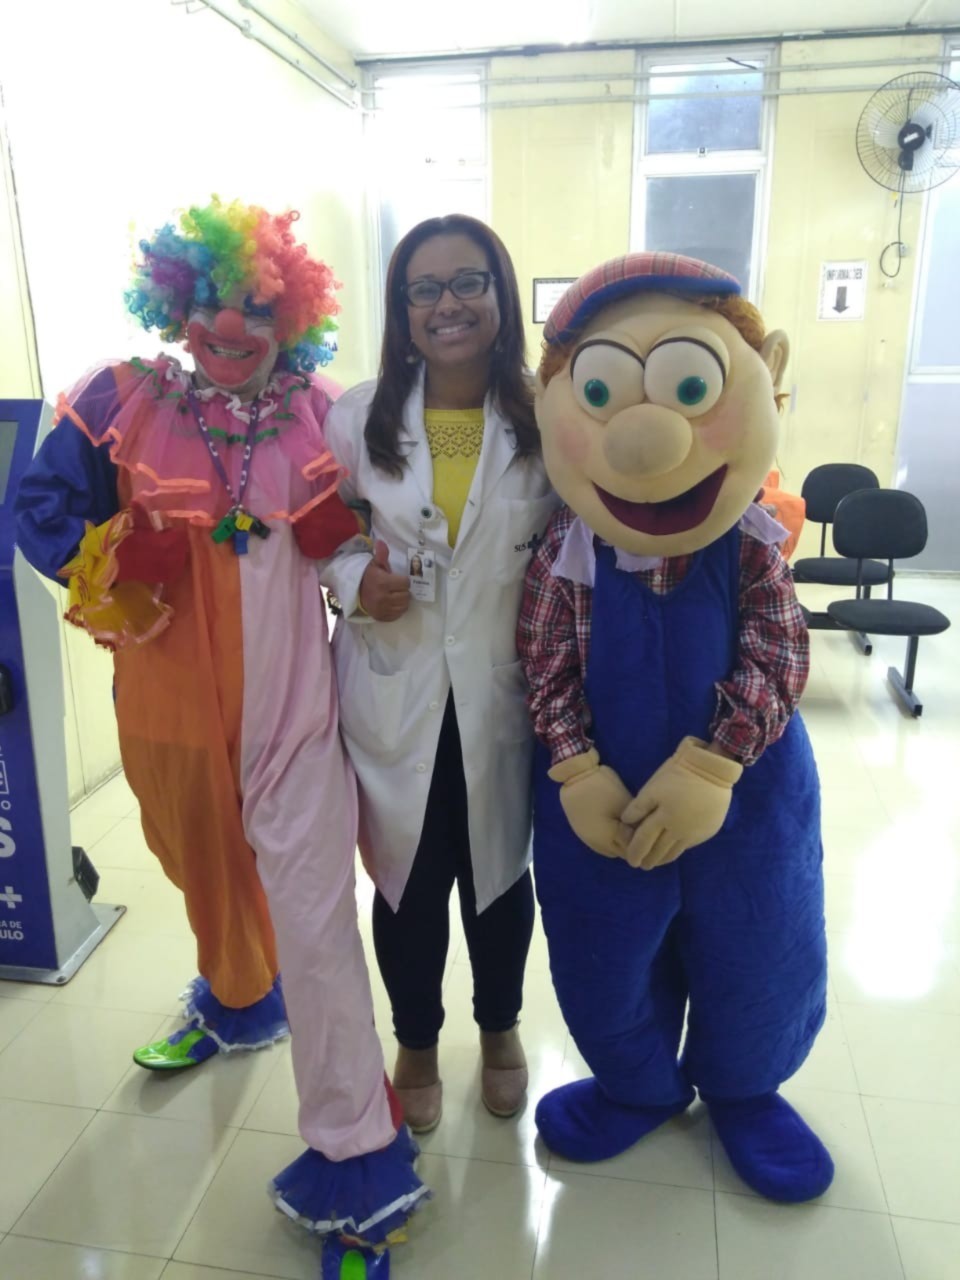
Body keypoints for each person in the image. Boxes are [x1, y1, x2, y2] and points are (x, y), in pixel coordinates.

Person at [14, 197, 427, 1245]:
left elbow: (347, 540)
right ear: (177, 304)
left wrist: (369, 581)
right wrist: (112, 549)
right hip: (165, 705)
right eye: (213, 302)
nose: (233, 326)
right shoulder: (118, 400)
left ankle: (357, 1154)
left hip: (293, 717)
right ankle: (238, 994)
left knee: (318, 929)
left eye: (256, 306)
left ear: (293, 316)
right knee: (195, 861)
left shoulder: (324, 413)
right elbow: (37, 510)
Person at [518, 252, 832, 1203]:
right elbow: (544, 661)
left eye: (690, 387)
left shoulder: (751, 545)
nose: (648, 438)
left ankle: (746, 1090)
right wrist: (576, 768)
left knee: (759, 944)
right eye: (601, 392)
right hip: (604, 803)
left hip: (748, 800)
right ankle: (639, 1085)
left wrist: (716, 763)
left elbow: (779, 652)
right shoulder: (565, 549)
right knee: (604, 952)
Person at [320, 214, 558, 1133]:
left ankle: (500, 1029)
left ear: (500, 295)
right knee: (406, 883)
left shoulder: (546, 414)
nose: (448, 304)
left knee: (498, 877)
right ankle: (415, 1041)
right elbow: (323, 535)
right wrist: (355, 581)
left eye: (469, 282)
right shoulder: (358, 416)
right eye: (426, 288)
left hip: (502, 692)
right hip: (396, 685)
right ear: (402, 308)